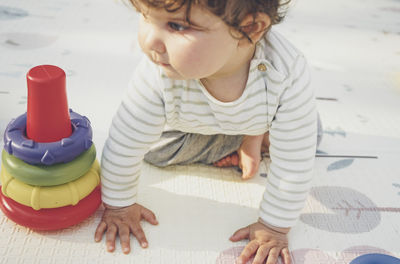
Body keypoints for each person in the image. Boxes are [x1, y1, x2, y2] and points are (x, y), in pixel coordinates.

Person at [94, 1, 322, 264]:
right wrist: (120, 204)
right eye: (145, 16)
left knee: (307, 135)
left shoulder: (285, 73)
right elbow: (126, 140)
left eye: (176, 25)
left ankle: (255, 134)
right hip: (190, 122)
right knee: (156, 150)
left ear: (250, 27)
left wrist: (274, 227)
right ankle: (247, 138)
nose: (149, 41)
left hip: (262, 114)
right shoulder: (157, 72)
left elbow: (294, 163)